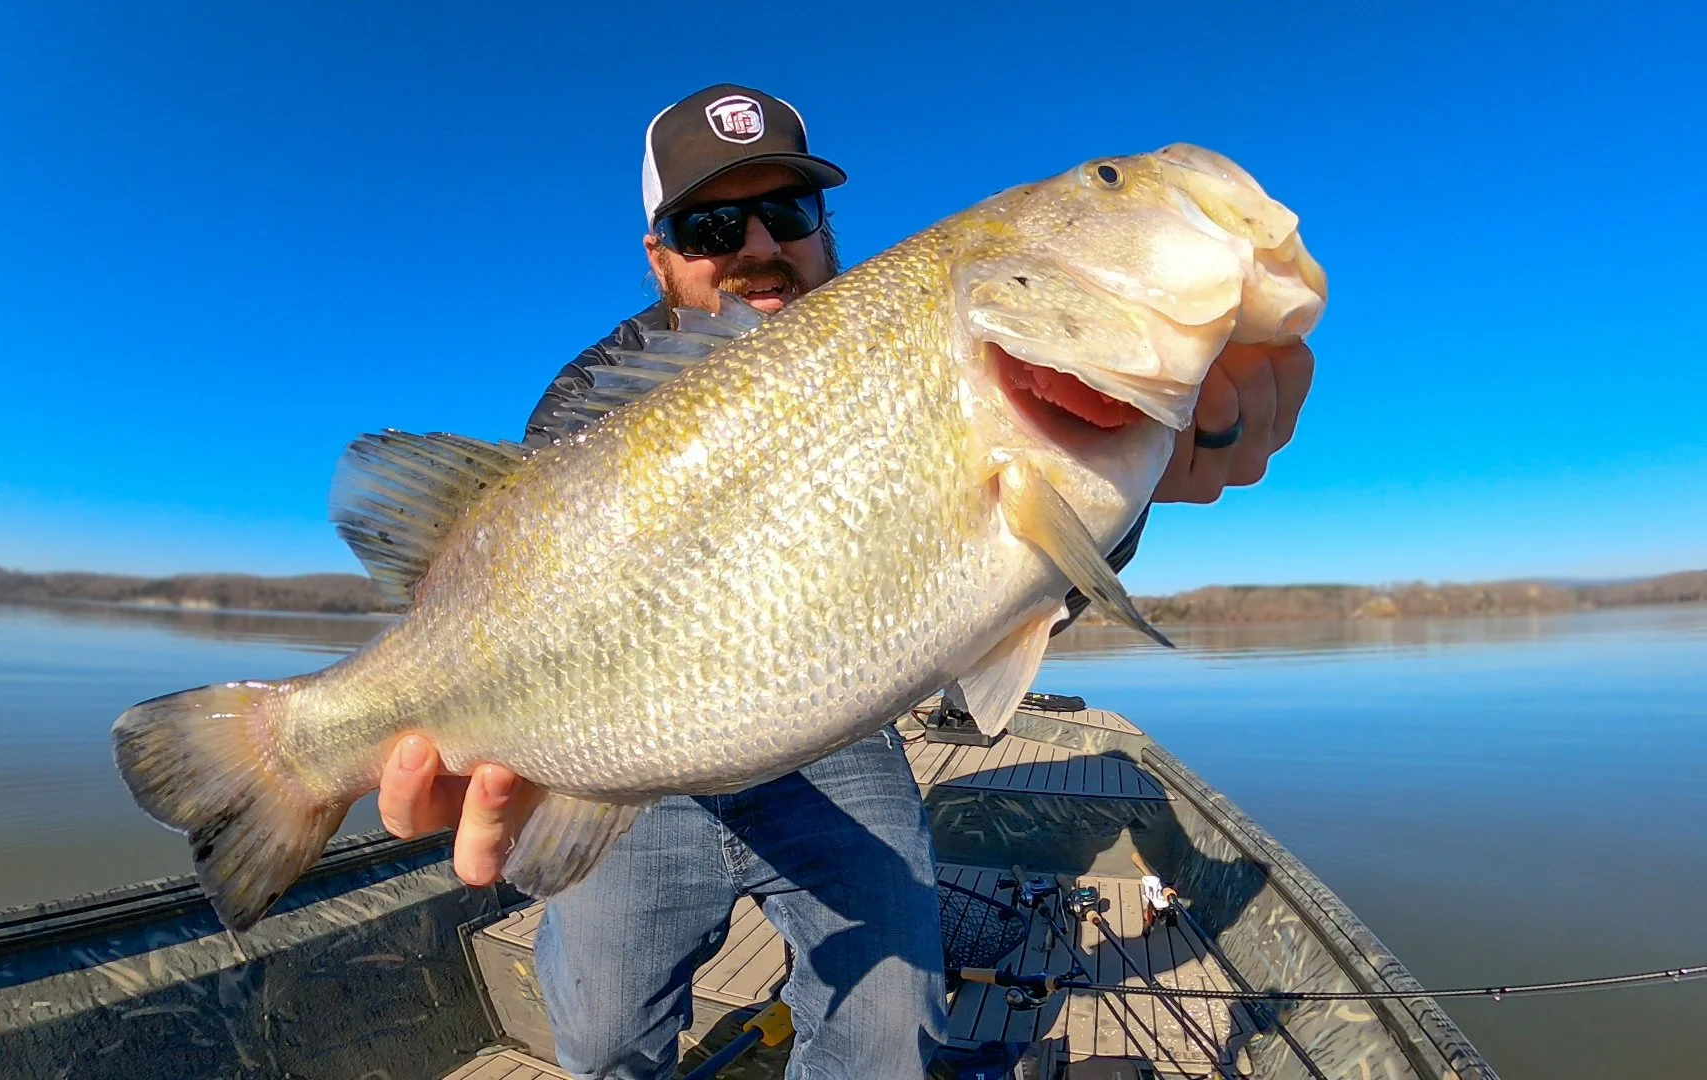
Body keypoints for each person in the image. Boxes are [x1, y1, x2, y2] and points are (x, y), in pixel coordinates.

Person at [375, 85, 1315, 1079]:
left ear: (823, 225)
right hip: (627, 751)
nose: (757, 244)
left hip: (834, 739)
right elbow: (525, 603)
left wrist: (1118, 483)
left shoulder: (917, 339)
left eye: (787, 211)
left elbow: (1010, 578)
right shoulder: (590, 399)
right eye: (709, 226)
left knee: (890, 1034)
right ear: (658, 255)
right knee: (603, 1038)